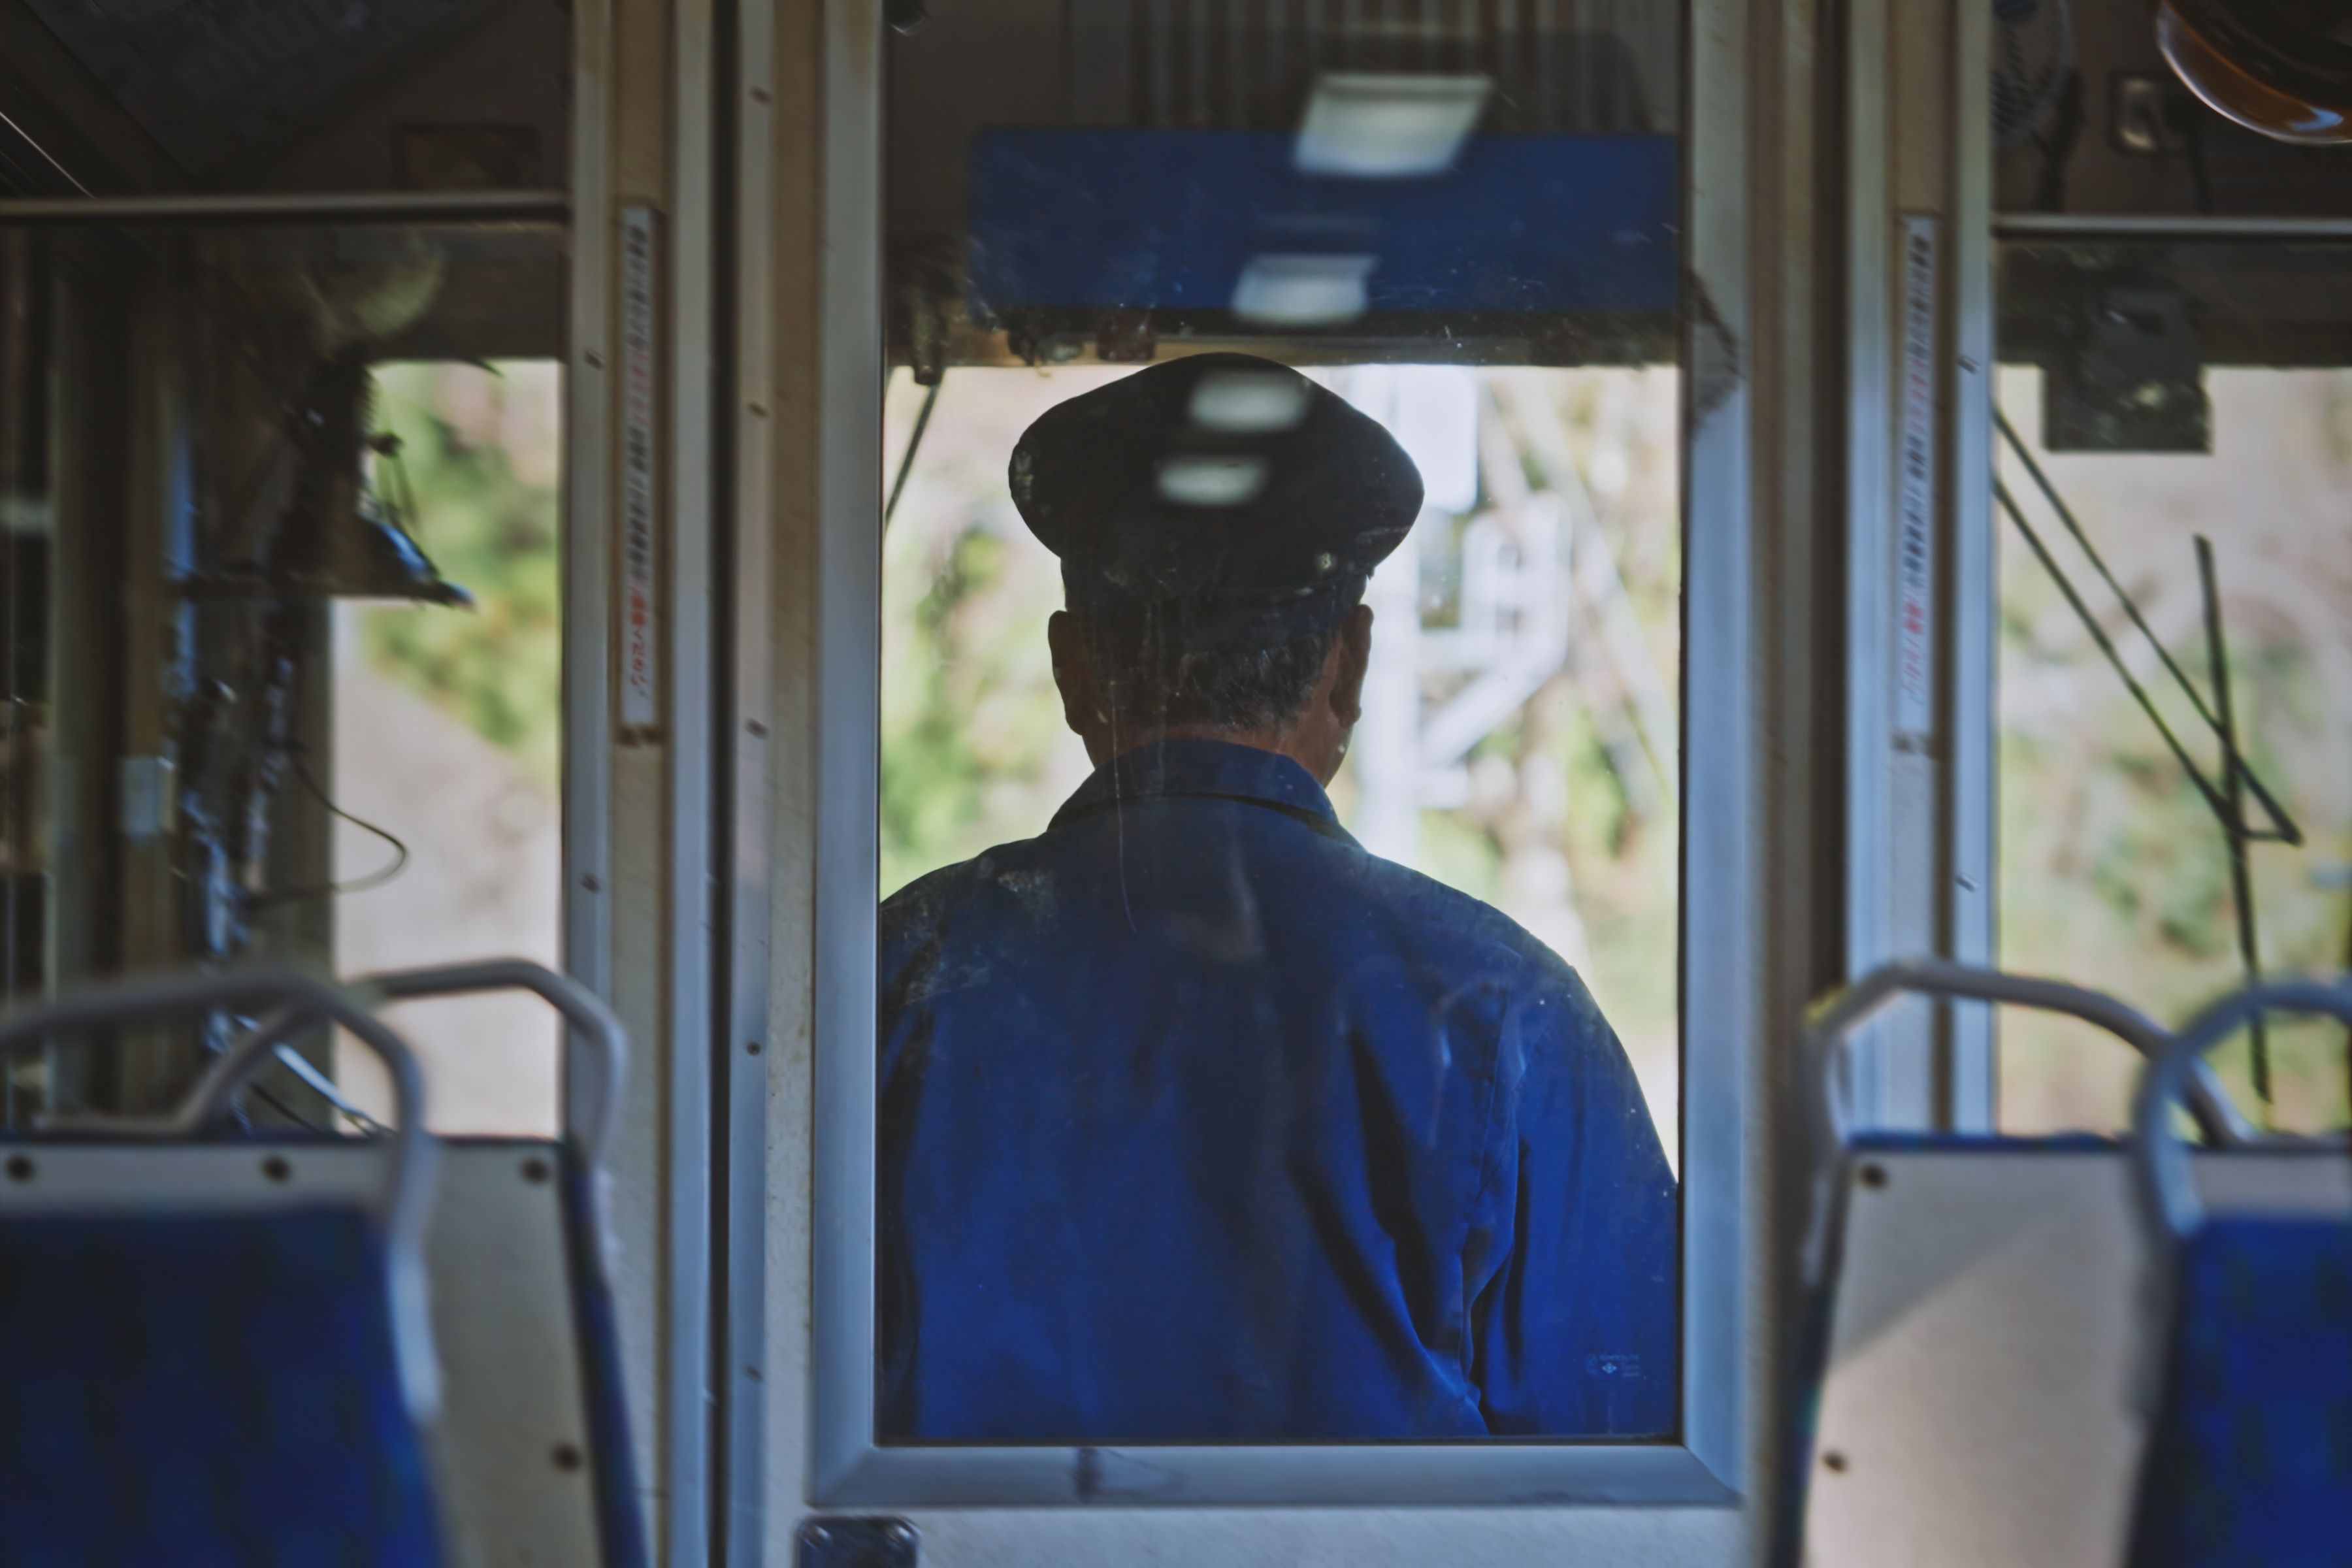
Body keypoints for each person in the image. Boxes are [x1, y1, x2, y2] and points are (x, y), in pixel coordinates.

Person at [878, 352, 1676, 1443]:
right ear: (1349, 668)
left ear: (1072, 671)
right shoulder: (1509, 1010)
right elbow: (1625, 1459)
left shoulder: (899, 974)